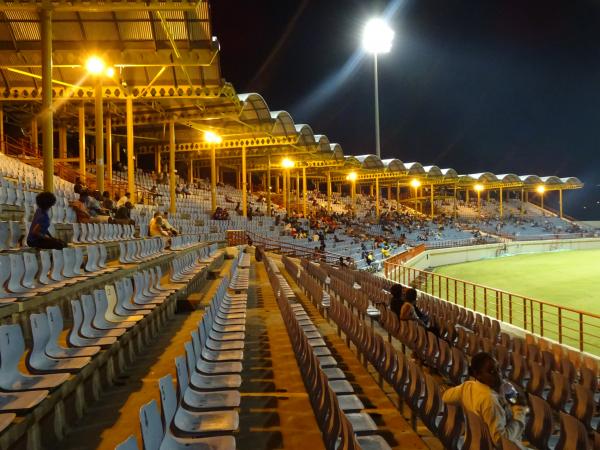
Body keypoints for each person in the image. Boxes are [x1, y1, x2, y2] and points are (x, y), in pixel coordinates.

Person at [442, 352, 528, 449]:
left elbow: (445, 397)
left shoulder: (468, 387)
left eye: (498, 369)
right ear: (477, 374)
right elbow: (500, 441)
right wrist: (520, 412)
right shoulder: (490, 400)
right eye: (491, 372)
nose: (498, 375)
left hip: (473, 444)